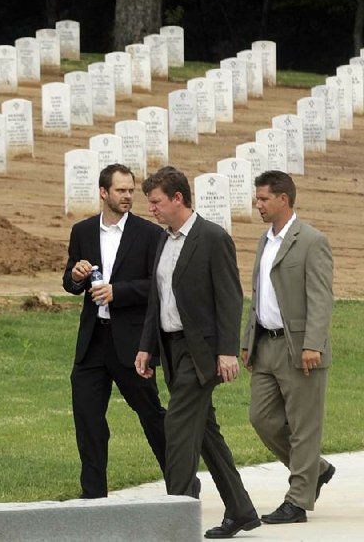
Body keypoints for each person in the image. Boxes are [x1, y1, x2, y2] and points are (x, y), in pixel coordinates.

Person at [135, 167, 259, 540]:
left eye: (156, 202)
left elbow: (230, 296)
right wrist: (147, 347)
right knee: (205, 433)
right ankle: (240, 510)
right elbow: (158, 299)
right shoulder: (163, 240)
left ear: (178, 198)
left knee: (176, 428)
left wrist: (227, 351)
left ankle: (176, 516)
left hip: (201, 352)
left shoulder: (212, 238)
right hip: (172, 351)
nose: (151, 209)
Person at [62, 163, 166, 499]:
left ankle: (181, 485)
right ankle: (94, 496)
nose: (127, 197)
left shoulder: (149, 234)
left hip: (132, 342)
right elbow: (70, 282)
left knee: (151, 414)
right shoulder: (83, 231)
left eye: (131, 191)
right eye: (120, 190)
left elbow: (158, 285)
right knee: (89, 421)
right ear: (103, 193)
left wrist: (118, 292)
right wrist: (76, 276)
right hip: (93, 341)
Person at [241, 170, 335, 524]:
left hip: (301, 349)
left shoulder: (312, 240)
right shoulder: (265, 241)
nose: (258, 204)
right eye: (257, 198)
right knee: (261, 418)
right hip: (265, 345)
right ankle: (318, 469)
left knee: (303, 427)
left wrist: (313, 344)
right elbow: (258, 297)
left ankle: (298, 501)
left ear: (284, 199)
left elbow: (321, 299)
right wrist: (248, 342)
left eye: (264, 198)